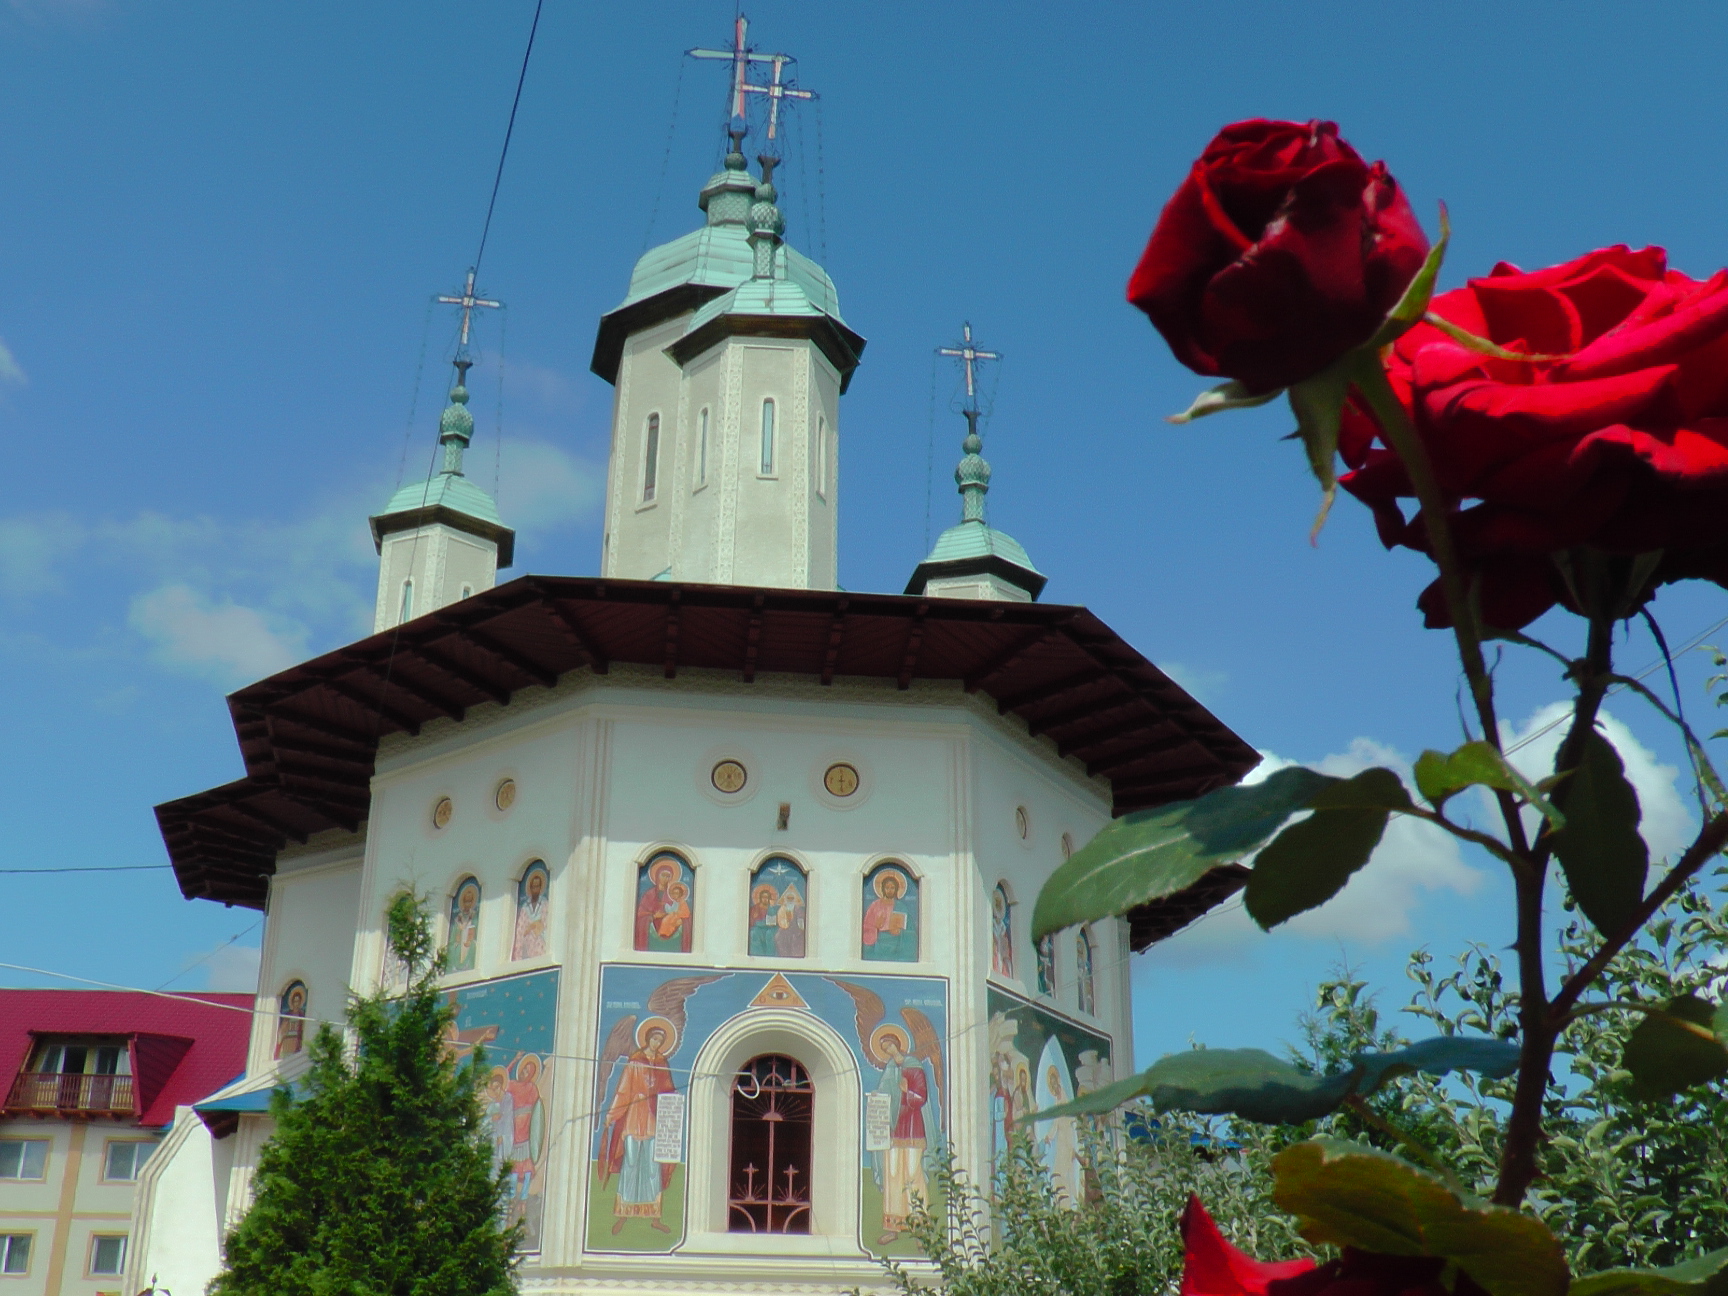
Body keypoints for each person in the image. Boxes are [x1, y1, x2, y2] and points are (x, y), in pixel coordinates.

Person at [599, 1022, 677, 1234]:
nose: (656, 1043)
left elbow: (669, 1091)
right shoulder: (635, 1062)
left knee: (653, 1167)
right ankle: (623, 1214)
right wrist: (612, 1114)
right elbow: (623, 1091)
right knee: (631, 1164)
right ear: (647, 1039)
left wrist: (671, 1111)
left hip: (653, 1121)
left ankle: (654, 1216)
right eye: (654, 1039)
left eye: (660, 1041)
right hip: (634, 1118)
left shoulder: (663, 1063)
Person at [870, 1025, 929, 1243]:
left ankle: (920, 1229)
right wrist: (878, 1096)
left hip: (912, 1126)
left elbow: (921, 1097)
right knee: (892, 1174)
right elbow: (885, 1090)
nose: (889, 1050)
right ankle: (893, 1229)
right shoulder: (889, 1069)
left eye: (890, 1045)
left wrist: (908, 1092)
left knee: (913, 1174)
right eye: (885, 1048)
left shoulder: (913, 1066)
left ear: (898, 1044)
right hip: (893, 1127)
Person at [506, 1055, 546, 1223]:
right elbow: (504, 1079)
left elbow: (537, 1110)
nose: (524, 1072)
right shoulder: (513, 1086)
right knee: (514, 1171)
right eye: (523, 1069)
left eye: (528, 1071)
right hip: (514, 1132)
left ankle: (523, 1201)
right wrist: (514, 1060)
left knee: (527, 1171)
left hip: (526, 1133)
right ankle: (511, 1199)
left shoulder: (532, 1088)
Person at [862, 869, 915, 961]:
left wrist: (901, 932)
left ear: (896, 889)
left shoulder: (901, 907)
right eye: (887, 887)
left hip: (896, 942)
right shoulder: (875, 905)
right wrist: (876, 927)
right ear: (883, 888)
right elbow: (866, 926)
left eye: (892, 888)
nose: (889, 890)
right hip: (879, 941)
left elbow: (911, 930)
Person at [513, 866, 549, 959]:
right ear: (530, 888)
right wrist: (529, 928)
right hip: (527, 940)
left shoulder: (544, 904)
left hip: (540, 939)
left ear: (540, 887)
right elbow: (521, 929)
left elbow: (545, 923)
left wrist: (537, 926)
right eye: (533, 887)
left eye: (537, 886)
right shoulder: (525, 907)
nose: (535, 890)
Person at [448, 880, 480, 971]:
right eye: (465, 902)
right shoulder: (458, 917)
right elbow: (454, 932)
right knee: (454, 948)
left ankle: (468, 966)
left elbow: (475, 930)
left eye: (469, 902)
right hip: (459, 941)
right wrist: (457, 937)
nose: (467, 905)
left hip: (469, 941)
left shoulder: (474, 916)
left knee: (472, 947)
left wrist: (470, 940)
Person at [274, 982, 307, 1058]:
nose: (296, 1004)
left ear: (300, 1002)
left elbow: (303, 1029)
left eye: (298, 1001)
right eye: (295, 1001)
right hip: (287, 1041)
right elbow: (282, 1029)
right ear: (292, 1002)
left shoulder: (301, 1015)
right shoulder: (288, 1015)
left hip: (296, 1041)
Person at [774, 882, 806, 958]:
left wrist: (801, 927)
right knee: (778, 937)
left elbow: (800, 920)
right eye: (788, 898)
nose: (790, 900)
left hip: (795, 930)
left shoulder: (797, 909)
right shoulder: (782, 908)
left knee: (797, 939)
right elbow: (780, 919)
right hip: (785, 929)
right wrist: (786, 922)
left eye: (792, 898)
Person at [748, 883, 779, 956]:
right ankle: (757, 955)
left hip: (769, 929)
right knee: (753, 934)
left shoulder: (771, 909)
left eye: (767, 897)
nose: (765, 899)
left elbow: (773, 921)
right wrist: (758, 923)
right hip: (758, 929)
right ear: (760, 898)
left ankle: (769, 955)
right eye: (763, 897)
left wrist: (765, 923)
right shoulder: (754, 908)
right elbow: (752, 921)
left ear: (769, 899)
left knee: (769, 935)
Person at [991, 886, 1014, 978]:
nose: (999, 907)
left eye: (1000, 905)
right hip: (995, 955)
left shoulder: (1003, 927)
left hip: (1002, 956)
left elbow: (1006, 946)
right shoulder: (991, 924)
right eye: (996, 904)